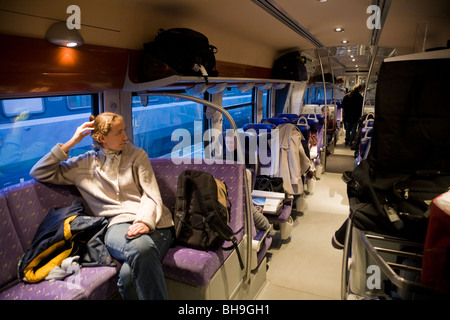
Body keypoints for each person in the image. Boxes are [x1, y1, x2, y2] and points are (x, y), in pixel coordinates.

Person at [30, 112, 174, 300]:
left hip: (156, 221)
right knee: (143, 249)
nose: (125, 137)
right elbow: (39, 171)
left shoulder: (137, 155)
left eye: (125, 131)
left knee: (128, 275)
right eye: (119, 133)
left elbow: (151, 194)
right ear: (101, 138)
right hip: (116, 224)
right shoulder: (83, 164)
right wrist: (71, 142)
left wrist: (144, 221)